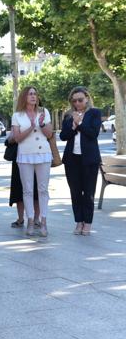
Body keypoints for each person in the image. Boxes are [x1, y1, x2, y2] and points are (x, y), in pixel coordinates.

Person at [11, 86, 53, 237]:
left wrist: (41, 124)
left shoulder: (44, 112)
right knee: (27, 190)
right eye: (30, 94)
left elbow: (49, 134)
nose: (33, 96)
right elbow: (17, 138)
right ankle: (29, 221)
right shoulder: (17, 115)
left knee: (43, 189)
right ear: (24, 97)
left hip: (43, 154)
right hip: (25, 154)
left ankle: (43, 222)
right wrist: (32, 126)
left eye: (35, 93)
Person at [60, 86, 101, 236]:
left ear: (87, 99)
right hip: (72, 160)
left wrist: (80, 124)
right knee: (75, 192)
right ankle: (79, 222)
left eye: (80, 100)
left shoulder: (95, 113)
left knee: (88, 193)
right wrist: (73, 125)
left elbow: (93, 134)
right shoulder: (68, 115)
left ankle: (88, 223)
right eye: (74, 100)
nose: (77, 103)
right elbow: (63, 136)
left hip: (90, 159)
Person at [5, 133, 41, 229]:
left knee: (37, 189)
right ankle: (21, 218)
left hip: (37, 156)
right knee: (18, 188)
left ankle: (36, 219)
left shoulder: (40, 118)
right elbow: (11, 139)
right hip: (19, 156)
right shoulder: (18, 118)